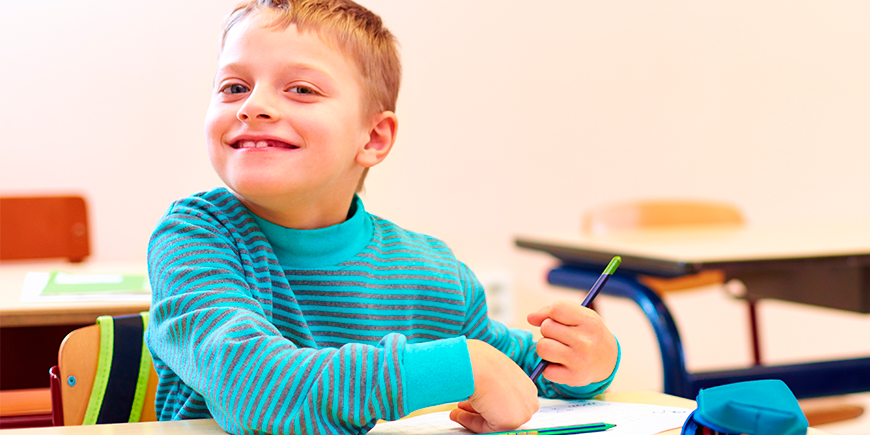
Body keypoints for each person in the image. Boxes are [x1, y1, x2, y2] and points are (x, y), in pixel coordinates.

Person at [145, 0, 620, 433]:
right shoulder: (194, 239)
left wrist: (585, 364)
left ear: (373, 138)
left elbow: (515, 375)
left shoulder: (432, 272)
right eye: (234, 87)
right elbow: (251, 388)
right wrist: (455, 369)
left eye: (301, 89)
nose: (254, 107)